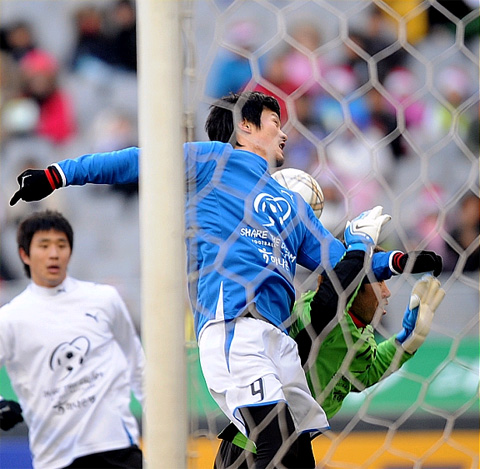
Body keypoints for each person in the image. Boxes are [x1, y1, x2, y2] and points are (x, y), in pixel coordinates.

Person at [9, 91, 423, 468]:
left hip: (278, 341)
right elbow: (138, 160)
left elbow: (342, 262)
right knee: (272, 444)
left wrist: (402, 260)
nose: (283, 132)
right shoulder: (212, 161)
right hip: (233, 326)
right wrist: (57, 175)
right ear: (246, 127)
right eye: (275, 121)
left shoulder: (292, 207)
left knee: (297, 455)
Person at [215, 244, 445, 468]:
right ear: (353, 287)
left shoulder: (360, 331)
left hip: (295, 443)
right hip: (251, 448)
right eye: (379, 281)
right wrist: (360, 245)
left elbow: (361, 375)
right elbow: (325, 308)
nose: (387, 292)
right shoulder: (316, 316)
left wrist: (408, 341)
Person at [0, 210, 144, 469]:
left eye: (61, 245)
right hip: (54, 456)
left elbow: (138, 366)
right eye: (44, 246)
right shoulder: (10, 318)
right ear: (25, 254)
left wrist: (162, 428)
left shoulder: (105, 299)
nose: (54, 253)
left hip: (116, 447)